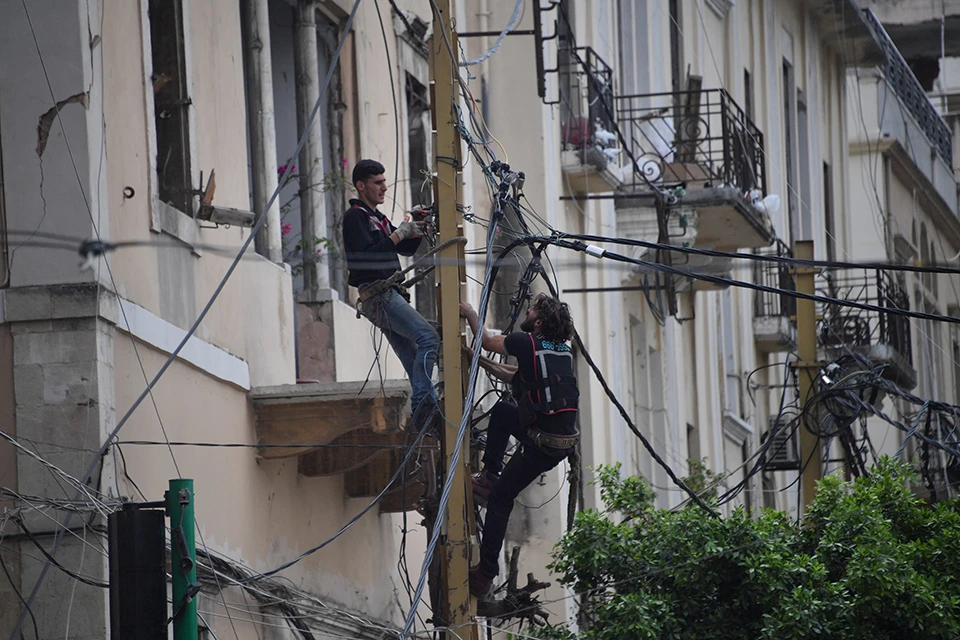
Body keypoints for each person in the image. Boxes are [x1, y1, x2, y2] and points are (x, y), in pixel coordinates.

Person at [458, 294, 580, 597]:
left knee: (501, 500)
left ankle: (485, 574)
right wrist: (475, 358)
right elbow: (515, 375)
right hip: (558, 442)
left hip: (541, 444)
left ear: (538, 321)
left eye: (532, 309)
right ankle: (489, 475)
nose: (527, 310)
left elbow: (487, 340)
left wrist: (471, 313)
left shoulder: (525, 342)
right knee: (502, 412)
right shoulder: (560, 351)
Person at [343, 159, 440, 429]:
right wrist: (400, 234)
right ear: (361, 186)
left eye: (384, 181)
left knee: (411, 353)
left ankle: (427, 408)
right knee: (429, 338)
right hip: (380, 295)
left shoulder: (378, 218)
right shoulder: (356, 217)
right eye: (378, 183)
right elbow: (368, 257)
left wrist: (415, 229)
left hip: (383, 297)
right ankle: (424, 403)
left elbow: (402, 250)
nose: (384, 187)